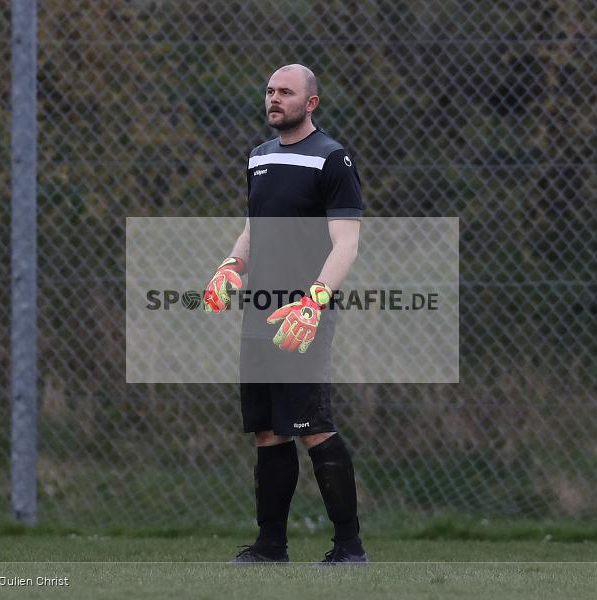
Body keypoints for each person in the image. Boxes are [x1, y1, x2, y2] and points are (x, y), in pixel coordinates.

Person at [203, 64, 367, 564]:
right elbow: (254, 227)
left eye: (286, 93)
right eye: (270, 91)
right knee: (268, 431)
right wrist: (232, 265)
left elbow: (347, 244)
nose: (274, 99)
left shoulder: (332, 159)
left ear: (311, 103)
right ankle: (271, 546)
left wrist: (315, 301)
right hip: (260, 312)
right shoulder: (259, 157)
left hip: (302, 315)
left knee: (312, 426)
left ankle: (349, 548)